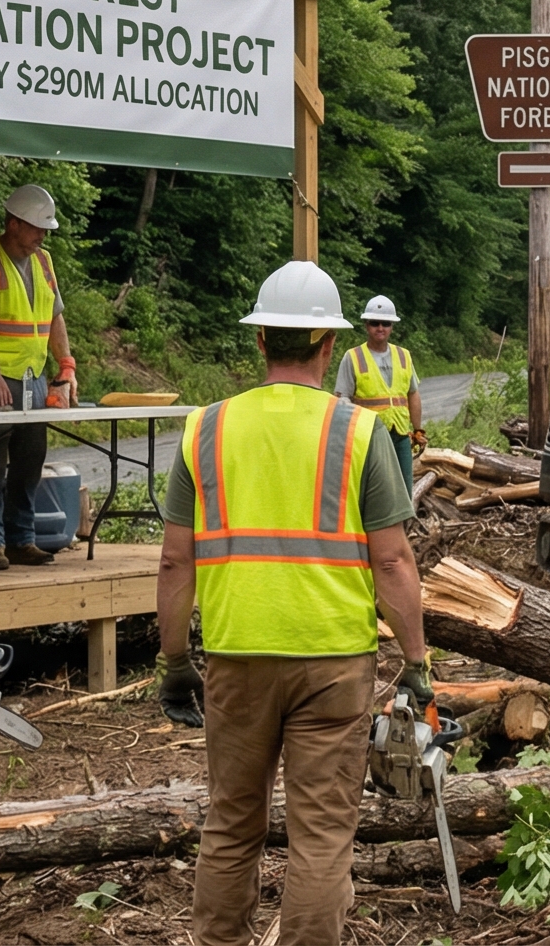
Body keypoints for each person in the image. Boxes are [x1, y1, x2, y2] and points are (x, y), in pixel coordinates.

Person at [153, 261, 427, 946]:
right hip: (333, 662)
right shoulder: (358, 432)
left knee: (230, 823)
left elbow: (175, 560)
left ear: (260, 340)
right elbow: (393, 561)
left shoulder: (205, 429)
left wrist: (175, 661)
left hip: (237, 656)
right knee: (323, 834)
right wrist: (417, 662)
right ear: (330, 345)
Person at [0, 184, 77, 572]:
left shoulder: (43, 262)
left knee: (31, 456)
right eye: (37, 228)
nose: (43, 236)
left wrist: (66, 366)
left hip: (31, 375)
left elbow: (55, 316)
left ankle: (22, 539)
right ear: (13, 224)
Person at [338, 295, 424, 488]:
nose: (380, 328)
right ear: (366, 325)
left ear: (392, 326)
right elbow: (343, 398)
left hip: (400, 434)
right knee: (374, 489)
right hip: (368, 436)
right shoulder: (353, 357)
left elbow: (413, 393)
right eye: (375, 323)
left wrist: (418, 430)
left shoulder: (404, 356)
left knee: (404, 488)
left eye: (385, 323)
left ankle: (406, 511)